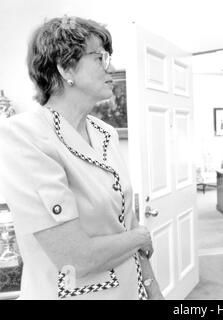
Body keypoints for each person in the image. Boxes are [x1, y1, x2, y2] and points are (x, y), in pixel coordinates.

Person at [0, 16, 163, 300]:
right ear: (65, 68)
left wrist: (152, 288)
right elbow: (76, 257)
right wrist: (139, 237)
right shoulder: (24, 136)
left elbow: (128, 223)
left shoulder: (105, 133)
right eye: (99, 57)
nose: (110, 67)